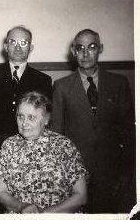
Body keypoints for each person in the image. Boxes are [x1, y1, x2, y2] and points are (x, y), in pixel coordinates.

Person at [51, 29, 135, 213]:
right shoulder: (62, 86)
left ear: (100, 49)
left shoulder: (119, 83)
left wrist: (127, 172)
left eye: (92, 47)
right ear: (73, 51)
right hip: (76, 173)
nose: (86, 53)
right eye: (80, 48)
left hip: (111, 171)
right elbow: (57, 135)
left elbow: (129, 131)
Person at [0, 91, 88, 213]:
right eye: (20, 116)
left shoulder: (64, 145)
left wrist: (48, 213)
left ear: (46, 119)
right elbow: (1, 192)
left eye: (31, 117)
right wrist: (21, 207)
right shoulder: (9, 145)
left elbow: (81, 195)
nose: (24, 123)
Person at [0, 25, 52, 173]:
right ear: (6, 46)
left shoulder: (43, 80)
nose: (18, 47)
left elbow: (45, 119)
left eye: (23, 43)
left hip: (31, 147)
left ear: (31, 48)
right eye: (13, 42)